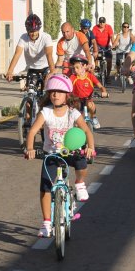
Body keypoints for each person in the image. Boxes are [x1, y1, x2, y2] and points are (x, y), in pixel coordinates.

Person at [25, 74, 95, 237]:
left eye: (59, 92)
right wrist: (30, 148)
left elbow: (86, 130)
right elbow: (33, 131)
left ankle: (79, 183)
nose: (55, 95)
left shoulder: (73, 113)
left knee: (81, 162)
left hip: (70, 151)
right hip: (51, 154)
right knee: (45, 186)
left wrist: (90, 147)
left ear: (67, 95)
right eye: (52, 92)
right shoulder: (46, 112)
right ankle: (47, 222)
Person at [6, 13, 55, 86]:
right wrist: (10, 71)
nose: (34, 34)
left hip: (45, 67)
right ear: (27, 30)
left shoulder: (46, 37)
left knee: (48, 89)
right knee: (30, 90)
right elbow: (17, 54)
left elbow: (49, 55)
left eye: (35, 31)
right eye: (31, 31)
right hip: (32, 68)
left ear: (39, 29)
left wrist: (52, 72)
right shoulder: (23, 38)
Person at [68, 55, 109, 129]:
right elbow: (67, 86)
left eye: (77, 67)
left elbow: (100, 86)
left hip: (88, 99)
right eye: (74, 68)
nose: (75, 70)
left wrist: (104, 92)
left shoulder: (90, 76)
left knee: (90, 105)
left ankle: (93, 117)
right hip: (76, 100)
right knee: (75, 116)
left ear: (84, 66)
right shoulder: (73, 77)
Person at [91, 17, 114, 82]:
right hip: (98, 46)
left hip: (106, 46)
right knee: (96, 56)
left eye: (103, 22)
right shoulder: (95, 28)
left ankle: (108, 76)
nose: (101, 23)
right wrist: (94, 46)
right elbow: (93, 38)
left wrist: (113, 45)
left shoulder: (108, 27)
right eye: (100, 22)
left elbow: (111, 37)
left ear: (105, 22)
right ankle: (96, 68)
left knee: (109, 60)